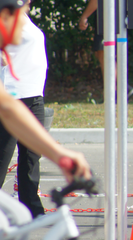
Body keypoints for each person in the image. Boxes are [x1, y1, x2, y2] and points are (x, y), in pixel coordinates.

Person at [0, 0, 92, 227]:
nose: (18, 35)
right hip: (17, 95)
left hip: (27, 95)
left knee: (29, 160)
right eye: (17, 21)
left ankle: (32, 209)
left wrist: (59, 154)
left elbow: (9, 109)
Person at [0, 0, 48, 218]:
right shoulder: (7, 8)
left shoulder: (26, 16)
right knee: (3, 154)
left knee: (31, 156)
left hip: (35, 96)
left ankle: (33, 210)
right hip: (12, 95)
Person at [78, 0, 133, 100]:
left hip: (108, 16)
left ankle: (119, 90)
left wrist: (84, 16)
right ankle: (116, 91)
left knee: (104, 54)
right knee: (105, 54)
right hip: (113, 15)